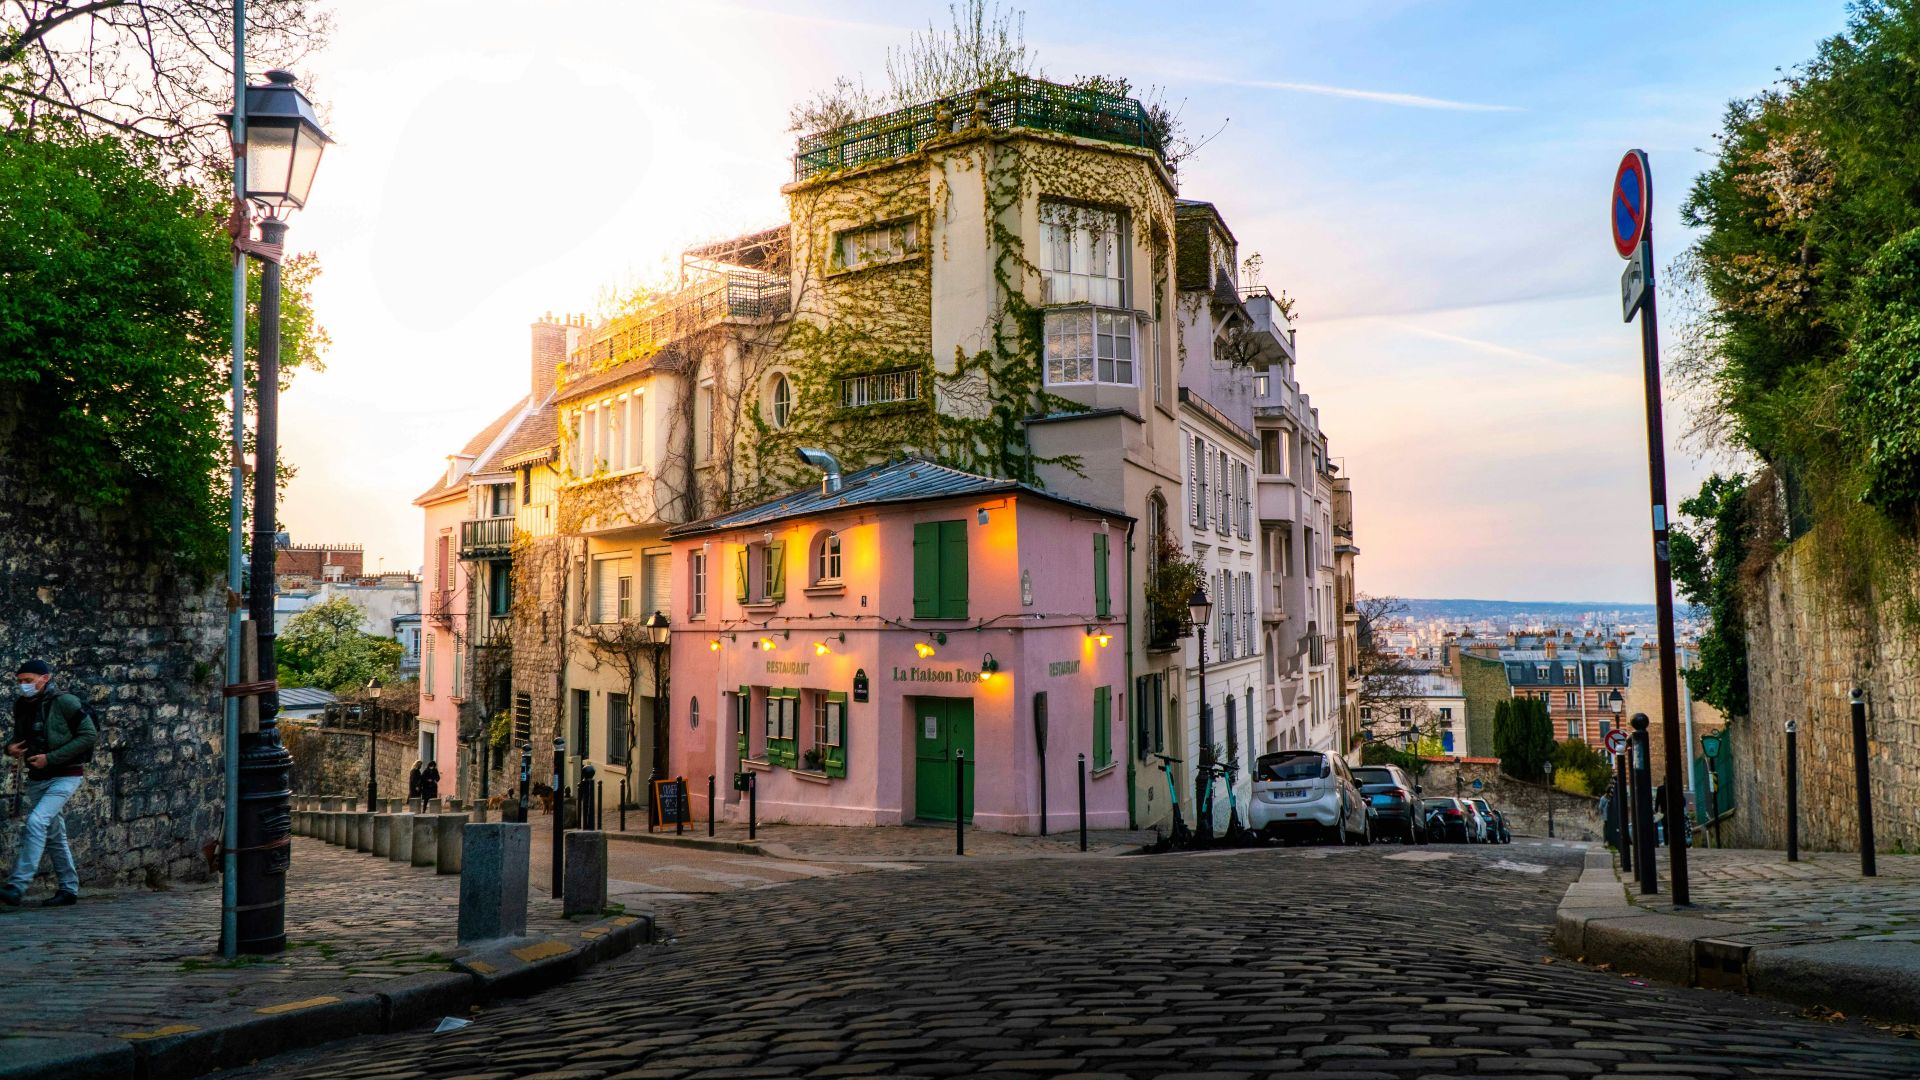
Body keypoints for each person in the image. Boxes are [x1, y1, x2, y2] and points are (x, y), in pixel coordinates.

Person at [4, 659, 96, 907]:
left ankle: (17, 885)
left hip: (66, 775)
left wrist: (51, 758)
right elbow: (20, 737)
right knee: (55, 835)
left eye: (28, 680)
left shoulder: (65, 702)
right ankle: (69, 889)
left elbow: (89, 735)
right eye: (20, 681)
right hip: (37, 778)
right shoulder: (22, 704)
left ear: (45, 679)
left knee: (37, 821)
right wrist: (10, 748)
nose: (23, 685)